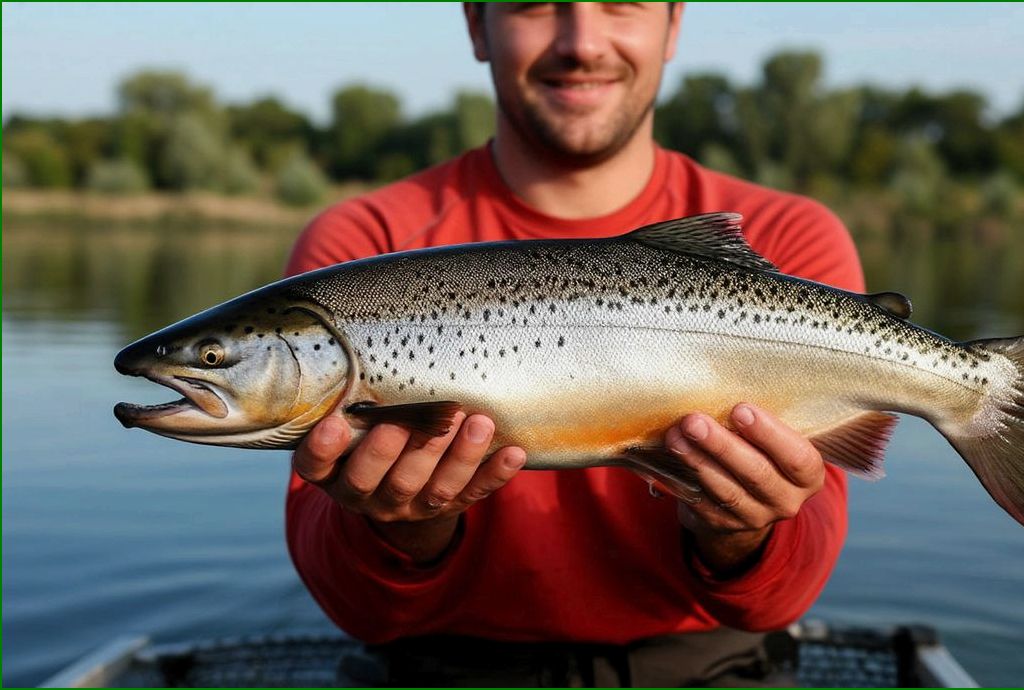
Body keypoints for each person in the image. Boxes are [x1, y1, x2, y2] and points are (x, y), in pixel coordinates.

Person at [285, 3, 864, 686]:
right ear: (477, 25)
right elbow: (357, 608)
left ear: (674, 25)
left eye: (622, 3)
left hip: (712, 662)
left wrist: (740, 531)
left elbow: (783, 600)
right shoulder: (358, 252)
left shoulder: (792, 239)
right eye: (535, 4)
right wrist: (402, 530)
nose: (582, 42)